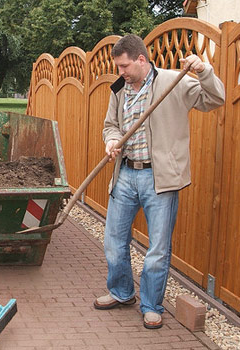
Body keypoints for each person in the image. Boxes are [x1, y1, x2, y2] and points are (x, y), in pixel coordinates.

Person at [94, 34, 225, 329]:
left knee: (158, 249)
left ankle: (151, 305)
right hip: (125, 174)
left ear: (141, 59)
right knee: (114, 241)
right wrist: (112, 141)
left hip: (160, 178)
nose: (121, 72)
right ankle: (122, 292)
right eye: (118, 67)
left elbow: (215, 99)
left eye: (125, 66)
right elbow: (110, 126)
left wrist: (204, 71)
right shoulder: (120, 89)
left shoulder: (173, 82)